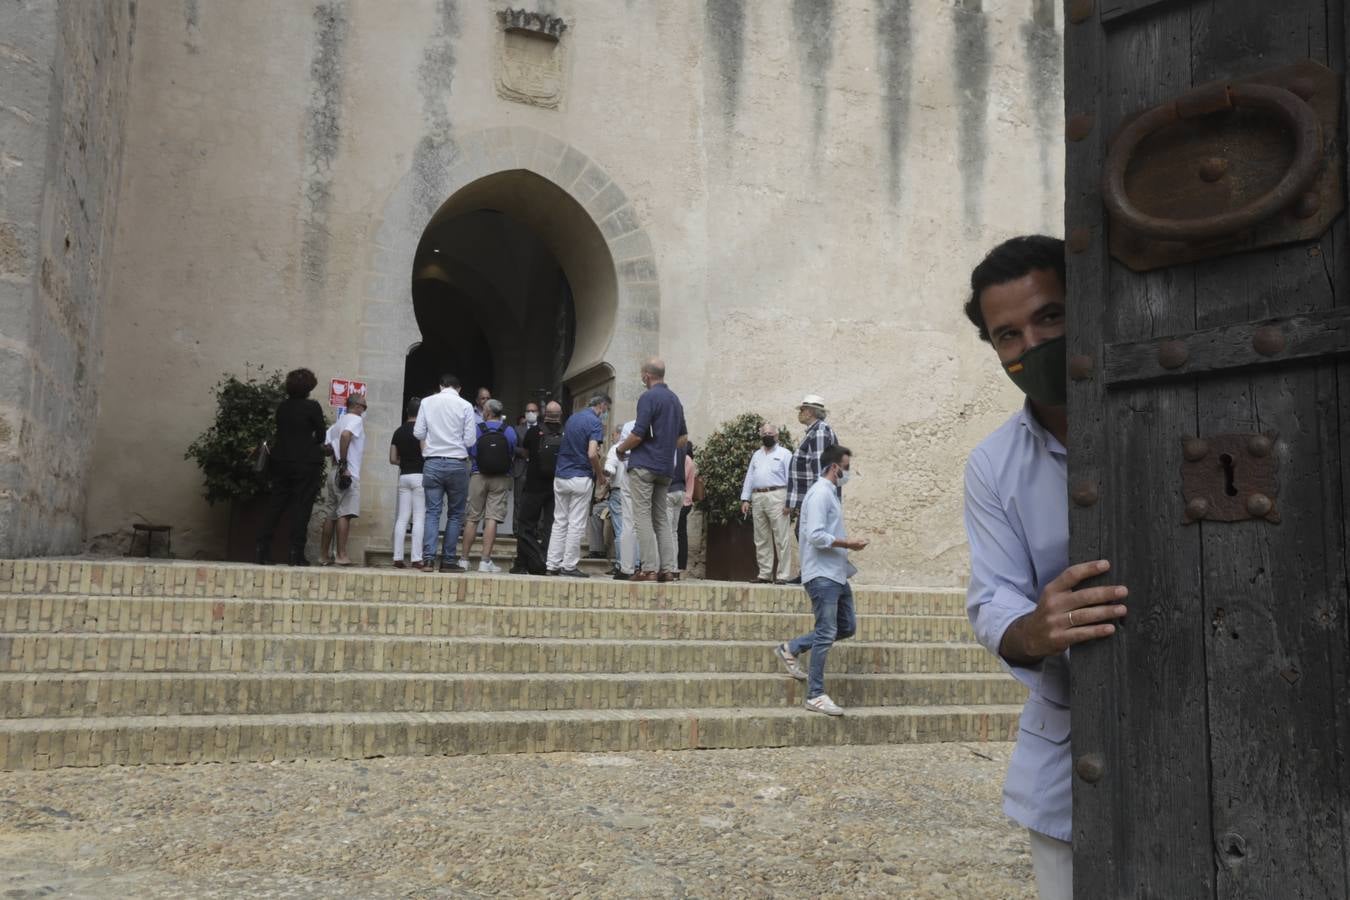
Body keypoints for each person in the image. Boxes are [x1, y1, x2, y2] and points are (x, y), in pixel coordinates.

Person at [961, 235, 1128, 900]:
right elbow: (992, 597)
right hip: (1070, 747)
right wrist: (1034, 629)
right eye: (1007, 335)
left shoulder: (1170, 411)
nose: (1030, 345)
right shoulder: (992, 466)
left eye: (1049, 317)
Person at [773, 444, 867, 715]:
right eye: (847, 468)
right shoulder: (819, 494)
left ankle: (791, 648)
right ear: (836, 468)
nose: (849, 474)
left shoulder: (830, 495)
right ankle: (815, 695)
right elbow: (815, 535)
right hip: (822, 575)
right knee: (826, 631)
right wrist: (849, 543)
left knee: (846, 626)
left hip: (836, 574)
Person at [615, 358, 688, 582]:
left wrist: (620, 449)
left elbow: (637, 434)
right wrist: (664, 448)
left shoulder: (648, 397)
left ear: (647, 375)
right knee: (662, 519)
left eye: (641, 374)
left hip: (644, 466)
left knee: (642, 517)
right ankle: (668, 569)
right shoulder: (675, 400)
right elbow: (683, 437)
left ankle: (648, 569)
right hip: (666, 469)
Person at [256, 367, 327, 566]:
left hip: (281, 460)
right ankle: (296, 553)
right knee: (302, 507)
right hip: (306, 462)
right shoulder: (312, 407)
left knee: (276, 504)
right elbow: (321, 434)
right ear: (310, 387)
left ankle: (262, 549)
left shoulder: (283, 407)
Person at [414, 373, 477, 572]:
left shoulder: (426, 402)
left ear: (441, 386)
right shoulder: (466, 406)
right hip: (457, 464)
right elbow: (469, 441)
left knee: (432, 512)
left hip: (432, 462)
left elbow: (418, 433)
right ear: (459, 389)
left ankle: (429, 559)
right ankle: (448, 561)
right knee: (456, 514)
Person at [548, 394, 609, 578]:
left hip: (561, 475)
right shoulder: (595, 423)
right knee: (576, 523)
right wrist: (600, 476)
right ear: (602, 406)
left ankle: (552, 564)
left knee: (559, 521)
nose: (606, 414)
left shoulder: (572, 418)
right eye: (606, 410)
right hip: (580, 476)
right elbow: (592, 453)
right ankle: (569, 565)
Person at [784, 394, 838, 583]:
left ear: (811, 411)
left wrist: (817, 497)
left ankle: (815, 572)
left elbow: (820, 467)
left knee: (808, 532)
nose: (800, 412)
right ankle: (810, 572)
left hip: (816, 495)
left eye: (802, 409)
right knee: (805, 532)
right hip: (812, 495)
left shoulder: (820, 432)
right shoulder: (813, 431)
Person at [462, 398, 518, 572]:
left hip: (478, 475)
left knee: (472, 518)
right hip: (501, 477)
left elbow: (471, 451)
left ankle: (464, 559)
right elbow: (512, 452)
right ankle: (485, 561)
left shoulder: (478, 430)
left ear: (488, 412)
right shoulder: (509, 431)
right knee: (492, 518)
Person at [511, 400, 564, 574]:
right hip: (556, 486)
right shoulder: (566, 433)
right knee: (551, 526)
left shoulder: (533, 432)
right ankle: (546, 560)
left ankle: (526, 562)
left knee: (526, 525)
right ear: (560, 415)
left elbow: (526, 453)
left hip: (533, 484)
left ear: (544, 414)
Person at [317, 392, 367, 567]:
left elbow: (325, 446)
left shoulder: (338, 423)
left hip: (333, 472)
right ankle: (341, 555)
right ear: (356, 406)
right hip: (346, 472)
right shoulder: (355, 420)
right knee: (345, 514)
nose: (364, 409)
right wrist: (344, 464)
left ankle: (324, 555)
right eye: (364, 406)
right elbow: (346, 436)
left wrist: (336, 458)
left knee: (331, 514)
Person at [740, 423, 794, 583]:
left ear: (777, 436)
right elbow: (750, 477)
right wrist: (745, 498)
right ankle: (764, 574)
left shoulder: (785, 454)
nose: (767, 435)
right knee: (761, 537)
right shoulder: (756, 455)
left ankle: (783, 575)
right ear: (760, 435)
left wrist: (789, 501)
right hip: (758, 497)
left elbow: (791, 478)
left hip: (778, 496)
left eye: (770, 433)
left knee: (781, 537)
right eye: (764, 433)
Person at [388, 398, 425, 569]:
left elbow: (392, 459)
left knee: (402, 517)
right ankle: (416, 558)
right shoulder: (421, 431)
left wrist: (405, 462)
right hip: (420, 476)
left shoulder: (398, 431)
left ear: (407, 412)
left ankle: (397, 556)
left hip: (404, 476)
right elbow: (425, 452)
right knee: (418, 518)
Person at [512, 401, 540, 532]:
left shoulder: (542, 429)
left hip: (537, 469)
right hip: (521, 468)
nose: (530, 413)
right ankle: (517, 529)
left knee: (536, 500)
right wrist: (522, 452)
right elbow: (512, 446)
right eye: (528, 411)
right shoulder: (517, 428)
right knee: (518, 500)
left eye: (533, 411)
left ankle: (535, 529)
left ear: (538, 413)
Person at [677, 444, 698, 573]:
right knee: (681, 533)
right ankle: (681, 565)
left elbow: (680, 478)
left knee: (678, 534)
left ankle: (679, 564)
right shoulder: (690, 461)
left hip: (683, 502)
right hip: (686, 501)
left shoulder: (685, 460)